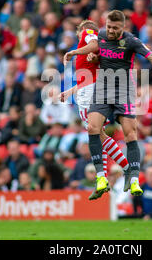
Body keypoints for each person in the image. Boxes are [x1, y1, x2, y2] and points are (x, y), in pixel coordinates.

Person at [64, 10, 152, 198]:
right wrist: (85, 55)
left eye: (115, 28)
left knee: (130, 133)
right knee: (93, 129)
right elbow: (96, 51)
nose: (111, 31)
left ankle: (132, 173)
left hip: (123, 91)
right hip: (103, 90)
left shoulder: (131, 41)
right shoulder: (102, 36)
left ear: (123, 27)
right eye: (108, 27)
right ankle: (101, 178)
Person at [60, 20, 129, 199]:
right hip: (93, 88)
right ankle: (103, 179)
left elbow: (93, 43)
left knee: (98, 135)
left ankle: (127, 170)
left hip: (90, 92)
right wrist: (70, 91)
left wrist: (74, 51)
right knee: (100, 135)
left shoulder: (87, 33)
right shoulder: (95, 55)